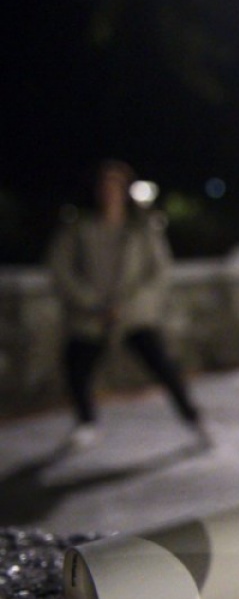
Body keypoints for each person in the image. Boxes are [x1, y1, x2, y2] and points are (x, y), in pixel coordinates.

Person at [47, 160, 209, 449]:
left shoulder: (142, 228)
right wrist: (92, 303)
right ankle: (86, 423)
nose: (109, 192)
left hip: (133, 315)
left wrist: (129, 306)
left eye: (116, 186)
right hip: (91, 316)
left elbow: (159, 271)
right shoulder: (79, 228)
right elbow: (61, 268)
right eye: (104, 185)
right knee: (76, 368)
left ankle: (193, 419)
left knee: (163, 366)